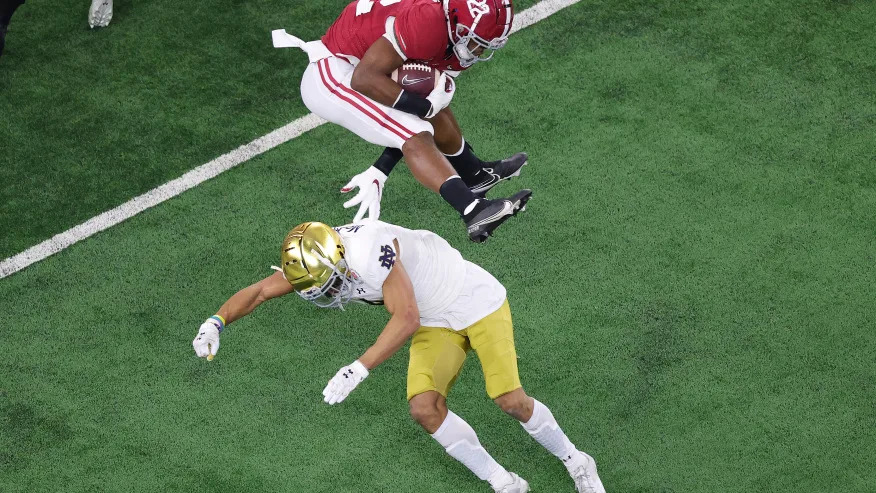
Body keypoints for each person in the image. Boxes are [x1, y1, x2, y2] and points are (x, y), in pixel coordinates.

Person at [192, 220, 607, 493]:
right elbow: (263, 290)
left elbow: (405, 318)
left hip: (474, 301)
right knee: (425, 409)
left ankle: (576, 460)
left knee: (508, 399)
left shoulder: (370, 252)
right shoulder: (315, 258)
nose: (332, 293)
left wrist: (358, 368)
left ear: (340, 259)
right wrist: (216, 321)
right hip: (435, 320)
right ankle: (504, 482)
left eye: (331, 286)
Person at [273, 0, 531, 242]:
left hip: (365, 67)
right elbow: (363, 79)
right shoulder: (428, 21)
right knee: (417, 130)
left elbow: (424, 104)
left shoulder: (452, 29)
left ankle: (474, 175)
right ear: (455, 21)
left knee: (435, 106)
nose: (479, 50)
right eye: (476, 41)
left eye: (485, 43)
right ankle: (473, 211)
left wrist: (383, 165)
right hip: (333, 70)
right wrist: (421, 109)